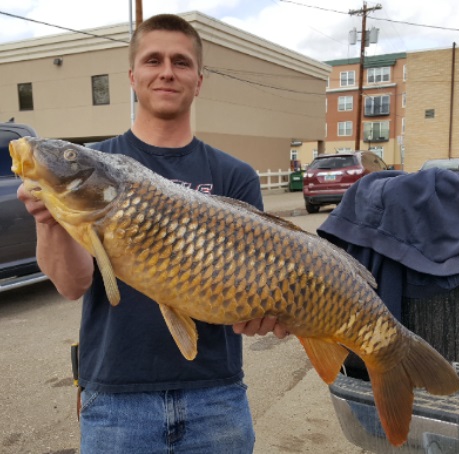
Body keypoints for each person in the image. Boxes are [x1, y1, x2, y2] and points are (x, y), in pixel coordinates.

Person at [18, 13, 287, 454]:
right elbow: (72, 285)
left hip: (216, 397)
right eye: (153, 60)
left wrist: (266, 311)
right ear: (132, 76)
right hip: (115, 400)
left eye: (181, 62)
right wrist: (49, 221)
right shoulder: (92, 166)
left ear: (199, 80)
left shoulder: (234, 175)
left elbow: (253, 286)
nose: (166, 71)